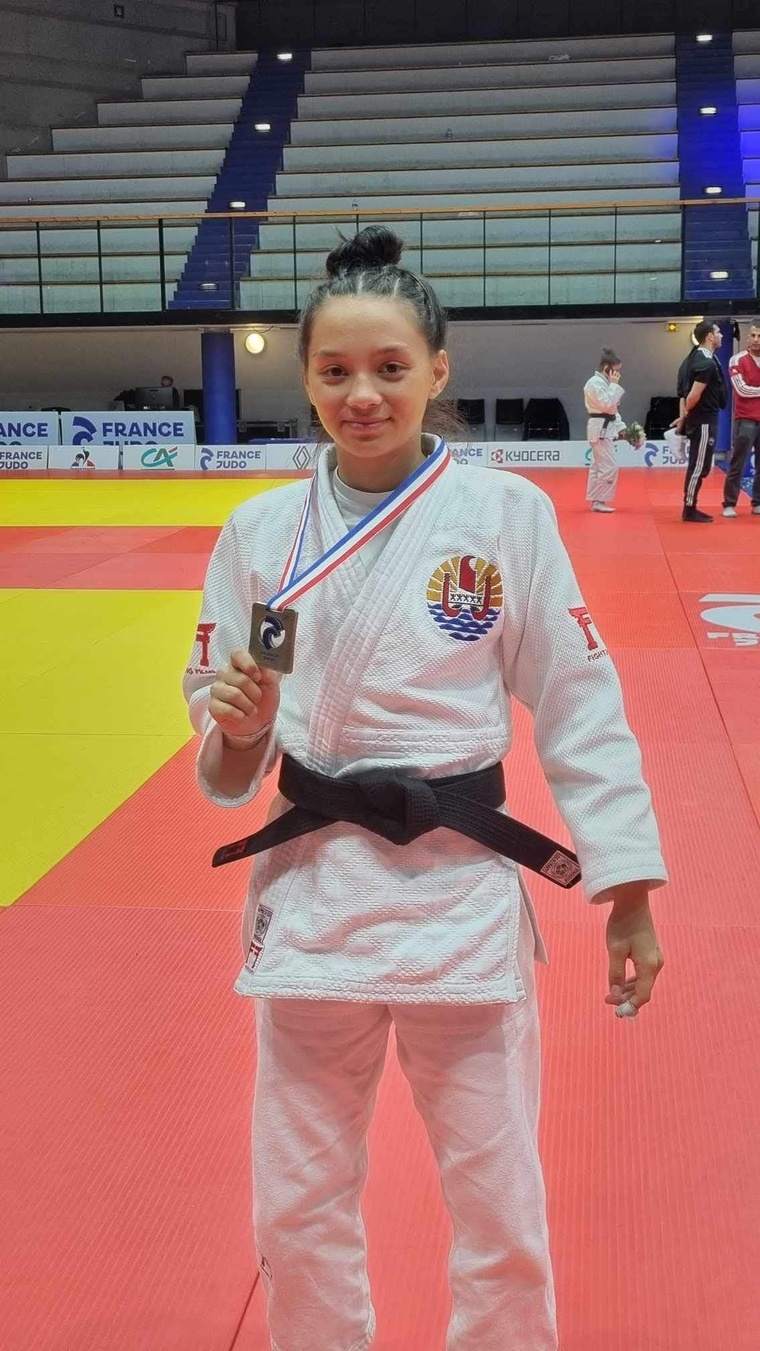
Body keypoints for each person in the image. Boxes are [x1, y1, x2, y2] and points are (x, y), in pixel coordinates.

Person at [183, 226, 667, 1351]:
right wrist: (240, 731)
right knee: (296, 1209)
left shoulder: (505, 517)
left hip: (457, 890)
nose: (362, 394)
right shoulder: (263, 535)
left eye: (390, 367)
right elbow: (227, 758)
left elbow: (579, 702)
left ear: (438, 369)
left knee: (499, 1209)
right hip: (316, 893)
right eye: (336, 371)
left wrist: (629, 887)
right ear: (306, 378)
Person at [674, 320, 728, 522]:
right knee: (699, 466)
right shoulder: (705, 363)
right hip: (704, 420)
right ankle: (689, 508)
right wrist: (686, 415)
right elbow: (692, 396)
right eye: (718, 332)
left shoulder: (691, 359)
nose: (721, 335)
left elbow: (683, 394)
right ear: (710, 336)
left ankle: (690, 505)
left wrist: (683, 417)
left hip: (702, 418)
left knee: (699, 464)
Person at [723, 318, 760, 517]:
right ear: (748, 337)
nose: (756, 339)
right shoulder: (737, 360)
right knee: (738, 463)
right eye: (753, 335)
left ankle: (757, 502)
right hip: (745, 419)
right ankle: (729, 503)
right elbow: (741, 390)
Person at [583, 348, 625, 512]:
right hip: (600, 428)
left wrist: (622, 428)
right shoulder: (594, 383)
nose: (618, 374)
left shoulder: (605, 383)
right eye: (616, 370)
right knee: (609, 466)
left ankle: (596, 499)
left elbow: (613, 411)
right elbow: (606, 405)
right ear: (607, 368)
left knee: (598, 465)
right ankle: (599, 500)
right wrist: (614, 386)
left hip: (605, 426)